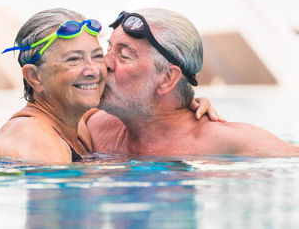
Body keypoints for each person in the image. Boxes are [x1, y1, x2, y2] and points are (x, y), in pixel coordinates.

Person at [0, 8, 218, 163]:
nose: (93, 70)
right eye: (73, 59)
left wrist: (183, 101)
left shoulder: (77, 126)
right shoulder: (35, 139)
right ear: (35, 78)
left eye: (96, 55)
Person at [81, 8, 299, 157]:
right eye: (108, 49)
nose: (103, 63)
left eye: (124, 55)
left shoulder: (230, 144)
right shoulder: (91, 126)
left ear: (167, 79)